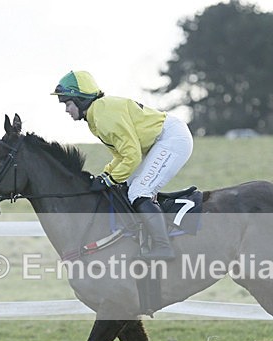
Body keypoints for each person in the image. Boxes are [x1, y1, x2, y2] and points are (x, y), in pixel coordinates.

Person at [51, 70, 194, 261]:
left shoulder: (102, 115)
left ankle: (163, 247)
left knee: (138, 191)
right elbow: (121, 155)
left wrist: (109, 179)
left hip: (171, 138)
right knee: (130, 188)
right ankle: (147, 237)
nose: (66, 110)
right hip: (163, 139)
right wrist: (105, 175)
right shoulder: (96, 116)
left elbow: (132, 156)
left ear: (81, 99)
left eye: (68, 103)